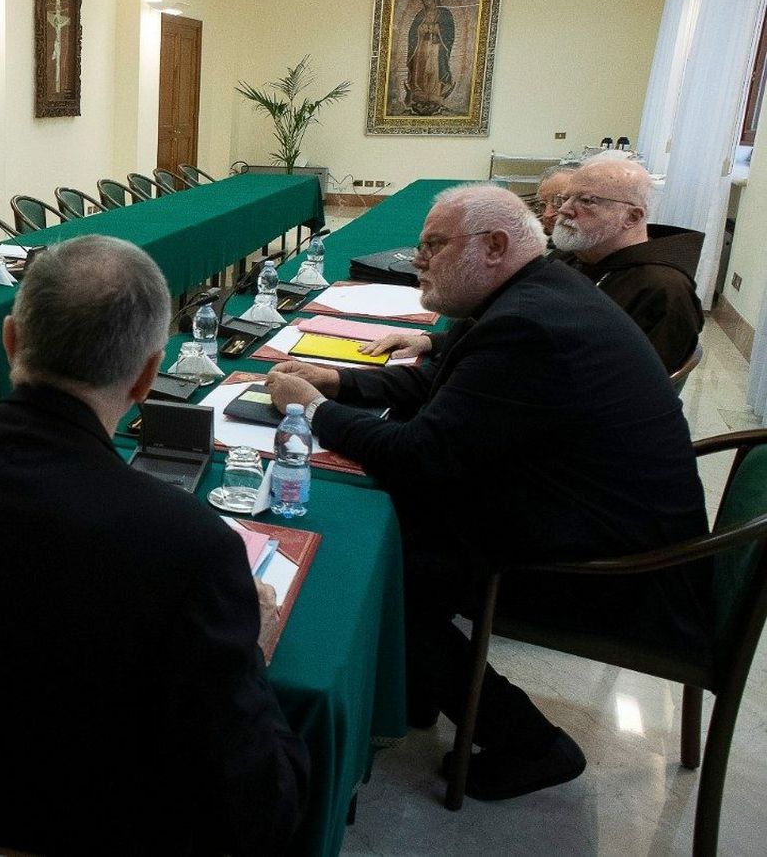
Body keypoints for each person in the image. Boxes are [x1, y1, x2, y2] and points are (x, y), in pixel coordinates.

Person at [0, 234, 308, 853]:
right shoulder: (191, 544)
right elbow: (262, 808)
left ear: (10, 341)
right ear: (147, 377)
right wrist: (253, 650)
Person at [266, 185, 709, 801]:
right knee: (401, 533)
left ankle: (532, 744)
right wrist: (340, 381)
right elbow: (448, 389)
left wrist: (315, 410)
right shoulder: (538, 290)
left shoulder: (528, 324)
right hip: (595, 508)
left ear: (495, 247)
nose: (418, 260)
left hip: (620, 567)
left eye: (433, 246)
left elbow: (419, 457)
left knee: (383, 568)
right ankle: (417, 685)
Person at [552, 158, 704, 373]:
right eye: (564, 199)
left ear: (632, 217)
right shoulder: (572, 255)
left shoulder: (663, 289)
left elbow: (643, 382)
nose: (564, 209)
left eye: (586, 201)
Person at [404, 0, 455, 112]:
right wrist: (420, 29)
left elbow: (449, 31)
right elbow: (412, 32)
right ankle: (420, 92)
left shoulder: (444, 13)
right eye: (424, 0)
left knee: (433, 68)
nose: (427, 2)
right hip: (422, 46)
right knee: (420, 68)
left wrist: (437, 29)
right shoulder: (420, 14)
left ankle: (435, 93)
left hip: (436, 47)